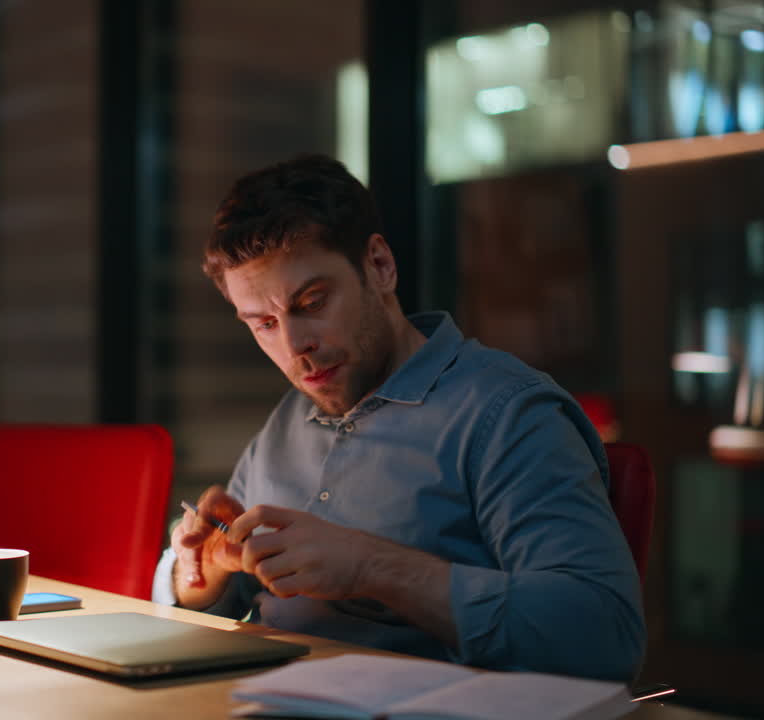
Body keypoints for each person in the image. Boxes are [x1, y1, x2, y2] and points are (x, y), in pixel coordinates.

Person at [151, 153, 645, 682]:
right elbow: (210, 603)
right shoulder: (287, 421)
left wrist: (373, 567)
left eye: (312, 302)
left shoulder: (505, 414)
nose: (294, 347)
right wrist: (202, 572)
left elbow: (606, 637)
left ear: (380, 266)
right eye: (264, 323)